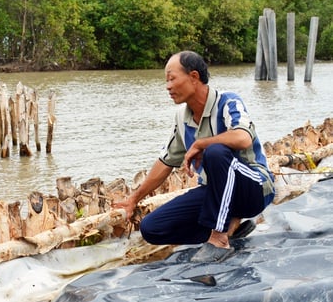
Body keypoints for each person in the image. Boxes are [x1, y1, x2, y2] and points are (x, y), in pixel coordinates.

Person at [116, 51, 275, 263]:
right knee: (152, 228)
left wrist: (202, 143)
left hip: (253, 188)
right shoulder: (182, 118)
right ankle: (231, 227)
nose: (168, 87)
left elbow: (243, 138)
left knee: (215, 152)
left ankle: (219, 238)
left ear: (193, 77)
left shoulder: (228, 102)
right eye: (166, 81)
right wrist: (133, 200)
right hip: (215, 195)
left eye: (172, 79)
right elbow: (165, 162)